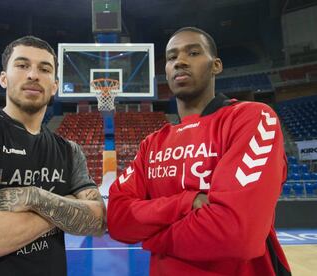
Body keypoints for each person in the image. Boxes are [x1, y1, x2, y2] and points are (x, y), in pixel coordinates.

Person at [107, 27, 291, 275]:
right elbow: (118, 219)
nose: (180, 61)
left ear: (216, 65)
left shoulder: (251, 117)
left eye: (193, 53)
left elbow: (235, 234)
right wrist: (187, 201)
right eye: (171, 57)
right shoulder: (151, 144)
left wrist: (154, 240)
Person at [0, 36, 106, 276]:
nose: (33, 75)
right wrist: (62, 206)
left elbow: (99, 221)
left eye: (44, 69)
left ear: (55, 85)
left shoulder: (69, 150)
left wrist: (34, 197)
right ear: (3, 78)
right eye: (22, 65)